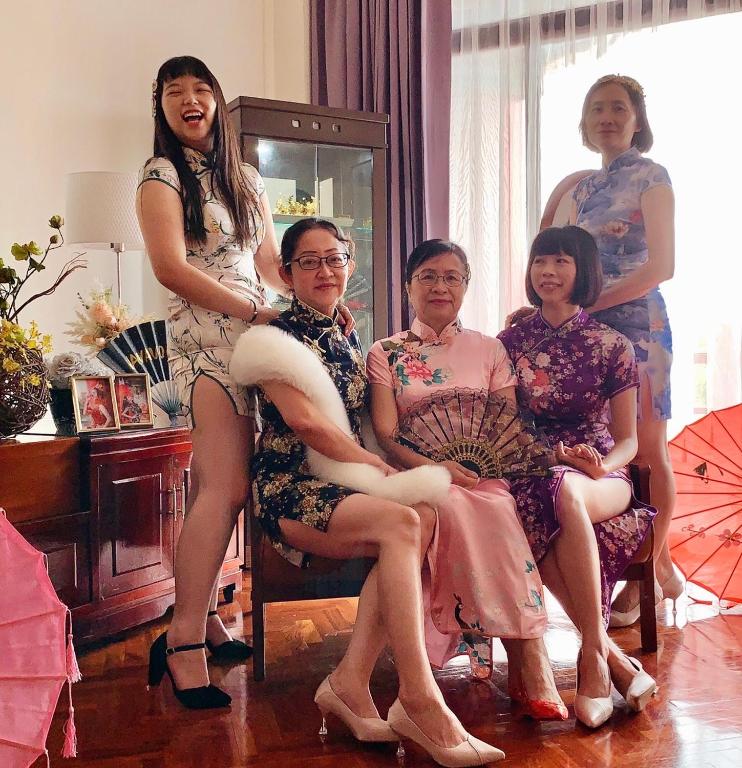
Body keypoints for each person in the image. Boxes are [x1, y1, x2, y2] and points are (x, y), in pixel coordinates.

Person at [137, 56, 357, 708]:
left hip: (253, 336)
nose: (189, 99)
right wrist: (250, 310)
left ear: (217, 100)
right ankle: (182, 643)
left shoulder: (247, 179)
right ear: (162, 107)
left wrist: (320, 300)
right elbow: (170, 268)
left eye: (200, 88)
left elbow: (267, 262)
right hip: (205, 343)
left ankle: (204, 619)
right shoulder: (159, 175)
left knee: (214, 487)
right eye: (174, 92)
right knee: (226, 487)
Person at [244, 218, 504, 766]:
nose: (324, 271)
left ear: (349, 265)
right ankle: (418, 698)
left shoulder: (345, 334)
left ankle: (349, 681)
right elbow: (308, 424)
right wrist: (376, 467)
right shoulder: (271, 339)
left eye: (334, 259)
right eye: (309, 261)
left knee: (423, 517)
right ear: (287, 273)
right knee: (404, 522)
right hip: (292, 485)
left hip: (346, 483)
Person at [367, 238, 567, 721]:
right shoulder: (385, 352)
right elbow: (387, 434)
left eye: (452, 277)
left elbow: (503, 426)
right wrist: (435, 468)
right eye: (428, 276)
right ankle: (530, 661)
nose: (441, 286)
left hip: (482, 476)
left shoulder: (490, 349)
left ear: (465, 286)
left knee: (497, 504)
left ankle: (529, 655)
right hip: (418, 474)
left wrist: (473, 467)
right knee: (453, 503)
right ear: (409, 286)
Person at [498, 226, 659, 729]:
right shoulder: (509, 343)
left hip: (602, 476)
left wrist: (602, 466)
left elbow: (628, 440)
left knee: (565, 489)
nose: (547, 272)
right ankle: (603, 657)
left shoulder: (613, 345)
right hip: (534, 472)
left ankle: (594, 656)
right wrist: (545, 456)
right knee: (552, 497)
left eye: (561, 262)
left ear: (583, 270)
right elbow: (504, 424)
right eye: (540, 261)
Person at [542, 75, 680, 625]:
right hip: (587, 334)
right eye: (596, 108)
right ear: (583, 122)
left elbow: (662, 266)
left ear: (637, 119)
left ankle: (651, 570)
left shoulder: (653, 176)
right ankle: (655, 565)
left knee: (646, 450)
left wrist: (590, 304)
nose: (607, 117)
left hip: (640, 327)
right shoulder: (579, 188)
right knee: (603, 448)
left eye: (618, 108)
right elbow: (555, 256)